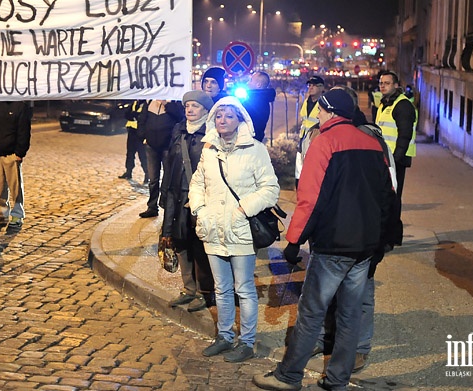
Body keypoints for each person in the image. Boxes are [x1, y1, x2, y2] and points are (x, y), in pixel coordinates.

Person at [254, 88, 395, 391]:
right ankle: (337, 380)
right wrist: (383, 242)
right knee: (349, 314)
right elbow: (387, 198)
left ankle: (289, 376)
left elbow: (310, 198)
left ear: (330, 112)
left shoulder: (325, 142)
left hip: (333, 243)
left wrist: (294, 241)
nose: (317, 114)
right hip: (366, 245)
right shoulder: (372, 144)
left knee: (312, 312)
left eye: (320, 110)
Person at [188, 96, 280, 363]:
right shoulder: (209, 150)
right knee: (221, 288)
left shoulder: (255, 149)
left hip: (240, 230)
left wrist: (242, 211)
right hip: (213, 228)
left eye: (228, 115)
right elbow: (197, 183)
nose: (223, 120)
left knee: (245, 289)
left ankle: (247, 342)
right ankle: (224, 336)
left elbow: (270, 189)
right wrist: (199, 210)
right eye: (218, 116)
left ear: (240, 119)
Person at [160, 90, 215, 313]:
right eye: (187, 106)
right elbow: (170, 161)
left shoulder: (211, 134)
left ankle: (205, 292)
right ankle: (188, 289)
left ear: (205, 110)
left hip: (199, 197)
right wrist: (165, 193)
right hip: (176, 192)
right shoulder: (179, 130)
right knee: (179, 241)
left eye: (195, 106)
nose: (190, 110)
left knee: (200, 245)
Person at [375, 69, 416, 246]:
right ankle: (390, 237)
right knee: (385, 198)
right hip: (385, 159)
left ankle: (390, 238)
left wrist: (395, 160)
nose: (382, 86)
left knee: (391, 199)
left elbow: (404, 135)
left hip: (394, 161)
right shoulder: (385, 104)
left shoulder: (403, 105)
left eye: (387, 83)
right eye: (381, 83)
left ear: (396, 85)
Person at [0, 100, 32, 230]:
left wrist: (20, 153)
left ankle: (17, 214)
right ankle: (1, 212)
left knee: (15, 186)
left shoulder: (21, 107)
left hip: (11, 153)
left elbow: (24, 131)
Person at [137, 98, 184, 218]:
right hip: (151, 146)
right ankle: (152, 207)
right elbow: (142, 120)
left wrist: (166, 104)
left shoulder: (175, 103)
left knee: (167, 179)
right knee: (153, 179)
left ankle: (166, 206)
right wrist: (143, 136)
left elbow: (180, 117)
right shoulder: (149, 102)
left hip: (167, 147)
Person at [296, 75, 326, 184]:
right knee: (300, 168)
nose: (311, 87)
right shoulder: (306, 101)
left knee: (314, 170)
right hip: (303, 139)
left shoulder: (324, 104)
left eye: (314, 85)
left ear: (322, 88)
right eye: (309, 85)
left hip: (316, 140)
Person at [118, 100, 149, 183]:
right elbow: (126, 114)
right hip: (132, 131)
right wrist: (134, 115)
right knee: (130, 153)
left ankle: (147, 174)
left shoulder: (147, 104)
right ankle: (128, 171)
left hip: (141, 133)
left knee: (143, 155)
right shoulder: (134, 103)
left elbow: (143, 117)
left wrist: (134, 115)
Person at [242, 70, 276, 143]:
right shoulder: (261, 99)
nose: (248, 83)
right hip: (253, 140)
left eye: (251, 80)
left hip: (249, 141)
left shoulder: (256, 101)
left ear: (258, 85)